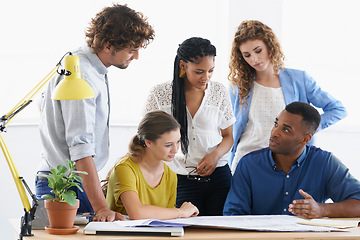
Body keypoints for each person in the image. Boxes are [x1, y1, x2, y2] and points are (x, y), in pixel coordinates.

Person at [36, 4, 155, 222]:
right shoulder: (82, 75)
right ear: (109, 45)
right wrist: (101, 207)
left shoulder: (86, 66)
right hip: (64, 186)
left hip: (73, 181)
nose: (136, 56)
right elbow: (81, 147)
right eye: (131, 49)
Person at [228, 20, 347, 173]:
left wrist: (307, 131)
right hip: (246, 162)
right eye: (247, 55)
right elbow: (229, 128)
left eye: (258, 51)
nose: (254, 59)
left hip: (287, 164)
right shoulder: (238, 87)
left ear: (269, 46)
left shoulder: (299, 79)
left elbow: (337, 109)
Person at [145, 37, 236, 216]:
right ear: (183, 66)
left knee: (221, 232)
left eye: (211, 71)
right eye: (199, 71)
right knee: (186, 231)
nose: (206, 77)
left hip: (219, 177)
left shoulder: (218, 91)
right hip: (179, 179)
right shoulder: (160, 94)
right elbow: (147, 138)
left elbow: (228, 136)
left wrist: (215, 156)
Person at [223, 102, 360, 219]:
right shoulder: (249, 164)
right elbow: (233, 215)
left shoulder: (325, 163)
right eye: (276, 124)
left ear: (305, 139)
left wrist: (322, 209)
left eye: (286, 130)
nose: (275, 133)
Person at [104, 111, 199, 220]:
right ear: (148, 142)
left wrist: (179, 213)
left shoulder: (171, 175)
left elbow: (166, 218)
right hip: (122, 235)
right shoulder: (125, 169)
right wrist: (181, 212)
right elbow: (137, 214)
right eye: (168, 145)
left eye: (178, 142)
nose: (176, 149)